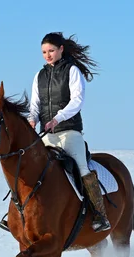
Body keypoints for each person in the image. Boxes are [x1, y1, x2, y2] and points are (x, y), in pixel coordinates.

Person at [28, 32, 110, 232]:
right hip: (47, 134)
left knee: (82, 168)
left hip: (69, 131)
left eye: (51, 51)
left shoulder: (72, 71)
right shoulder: (39, 76)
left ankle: (100, 214)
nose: (47, 55)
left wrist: (58, 118)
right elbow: (35, 104)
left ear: (61, 49)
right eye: (44, 52)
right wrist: (32, 119)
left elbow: (77, 101)